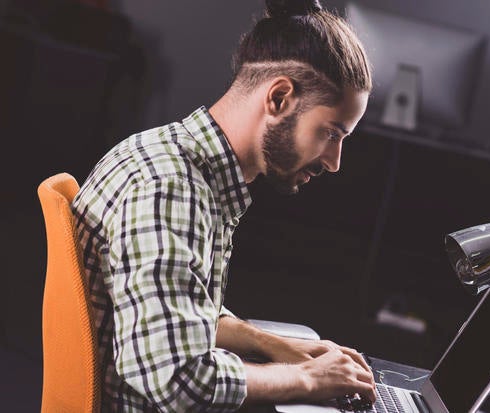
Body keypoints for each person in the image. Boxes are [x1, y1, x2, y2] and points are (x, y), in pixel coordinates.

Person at [71, 0, 374, 410]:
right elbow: (176, 381)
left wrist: (275, 345)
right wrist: (305, 377)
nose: (334, 162)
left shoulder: (177, 162)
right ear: (280, 97)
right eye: (331, 133)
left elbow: (173, 309)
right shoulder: (169, 188)